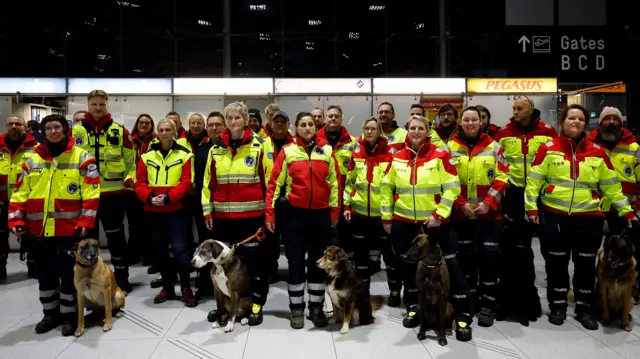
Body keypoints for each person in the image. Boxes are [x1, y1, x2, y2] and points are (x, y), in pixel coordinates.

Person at [525, 104, 637, 330]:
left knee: (585, 266)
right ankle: (557, 307)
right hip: (555, 218)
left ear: (586, 124)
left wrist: (626, 210)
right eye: (571, 118)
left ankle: (584, 309)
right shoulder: (547, 149)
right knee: (556, 265)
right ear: (562, 122)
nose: (576, 122)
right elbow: (534, 182)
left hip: (589, 218)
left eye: (580, 119)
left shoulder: (597, 151)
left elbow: (611, 186)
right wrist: (531, 209)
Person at [381, 115, 472, 341]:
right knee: (409, 268)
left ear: (427, 131)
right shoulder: (397, 158)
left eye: (421, 128)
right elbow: (385, 188)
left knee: (451, 266)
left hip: (435, 225)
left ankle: (462, 316)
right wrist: (387, 218)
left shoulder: (440, 156)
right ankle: (414, 308)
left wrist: (439, 214)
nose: (416, 132)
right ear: (407, 131)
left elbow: (452, 189)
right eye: (412, 128)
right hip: (404, 224)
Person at [9, 114, 100, 336]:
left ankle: (70, 316)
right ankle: (50, 314)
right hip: (37, 231)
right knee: (45, 276)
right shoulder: (31, 160)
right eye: (48, 128)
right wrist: (16, 219)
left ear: (66, 129)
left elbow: (91, 192)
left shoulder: (83, 157)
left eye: (57, 127)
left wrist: (86, 221)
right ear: (43, 131)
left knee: (69, 276)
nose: (53, 131)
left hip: (69, 230)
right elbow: (20, 192)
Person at [265, 111, 339, 330]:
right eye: (302, 125)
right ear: (295, 128)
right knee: (295, 262)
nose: (307, 128)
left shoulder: (326, 151)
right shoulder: (288, 152)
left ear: (315, 128)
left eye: (310, 124)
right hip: (294, 216)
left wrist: (334, 212)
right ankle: (296, 308)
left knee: (318, 264)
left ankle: (315, 307)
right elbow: (274, 185)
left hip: (320, 216)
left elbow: (334, 184)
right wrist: (269, 213)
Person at [201, 102, 269, 326]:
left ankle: (256, 305)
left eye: (237, 118)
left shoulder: (261, 145)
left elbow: (270, 183)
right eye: (229, 118)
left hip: (252, 218)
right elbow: (207, 183)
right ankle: (225, 306)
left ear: (245, 119)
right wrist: (208, 211)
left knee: (256, 265)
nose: (233, 121)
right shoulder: (216, 148)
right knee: (222, 267)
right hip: (223, 219)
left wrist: (269, 215)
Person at [493, 96, 557, 324]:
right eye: (513, 108)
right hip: (514, 195)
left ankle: (552, 300)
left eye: (520, 108)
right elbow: (498, 163)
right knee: (512, 248)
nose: (515, 111)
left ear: (531, 109)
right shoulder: (503, 132)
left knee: (551, 250)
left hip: (541, 194)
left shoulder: (548, 132)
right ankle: (512, 297)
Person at [445, 107, 509, 327]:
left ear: (481, 122)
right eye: (466, 120)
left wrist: (488, 203)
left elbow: (502, 176)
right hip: (460, 216)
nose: (470, 123)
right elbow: (446, 179)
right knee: (464, 261)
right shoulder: (449, 147)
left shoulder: (495, 147)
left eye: (474, 120)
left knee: (489, 260)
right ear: (460, 122)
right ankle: (468, 302)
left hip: (490, 216)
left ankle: (488, 306)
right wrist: (461, 204)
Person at [71, 90, 136, 292]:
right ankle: (88, 278)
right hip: (86, 196)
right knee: (87, 240)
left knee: (116, 238)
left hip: (113, 196)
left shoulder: (120, 131)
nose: (98, 108)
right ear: (88, 105)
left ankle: (122, 277)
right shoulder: (75, 132)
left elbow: (131, 161)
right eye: (94, 104)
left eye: (101, 104)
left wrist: (129, 178)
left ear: (107, 104)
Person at [135, 118, 197, 307]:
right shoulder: (147, 156)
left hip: (176, 209)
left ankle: (186, 288)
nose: (164, 133)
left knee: (180, 250)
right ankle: (168, 287)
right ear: (157, 132)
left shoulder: (185, 155)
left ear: (174, 132)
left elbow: (187, 181)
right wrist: (149, 198)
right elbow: (140, 182)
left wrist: (169, 197)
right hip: (153, 210)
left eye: (168, 129)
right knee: (160, 252)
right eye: (161, 130)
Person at [586, 106, 640, 303]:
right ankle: (595, 286)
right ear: (600, 123)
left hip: (625, 209)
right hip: (595, 208)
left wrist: (636, 206)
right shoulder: (589, 145)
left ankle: (630, 286)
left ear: (621, 123)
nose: (611, 122)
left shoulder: (634, 148)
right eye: (606, 119)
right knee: (590, 250)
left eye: (615, 119)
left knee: (626, 251)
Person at [343, 116, 393, 302]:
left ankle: (394, 292)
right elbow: (350, 182)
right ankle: (363, 293)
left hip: (382, 216)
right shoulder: (356, 155)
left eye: (373, 128)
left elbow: (393, 187)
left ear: (379, 131)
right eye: (366, 128)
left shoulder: (389, 157)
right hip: (360, 215)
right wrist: (347, 205)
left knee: (389, 257)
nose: (369, 131)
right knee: (361, 258)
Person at [0, 115, 39, 279]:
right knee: (0, 237)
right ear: (6, 126)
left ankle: (34, 267)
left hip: (26, 202)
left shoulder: (37, 148)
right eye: (11, 124)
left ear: (25, 127)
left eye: (18, 124)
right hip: (2, 201)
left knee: (31, 237)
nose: (14, 126)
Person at [316, 105, 356, 259]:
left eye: (336, 116)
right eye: (330, 116)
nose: (333, 118)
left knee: (345, 233)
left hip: (344, 196)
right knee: (323, 232)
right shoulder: (316, 141)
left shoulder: (352, 142)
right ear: (325, 118)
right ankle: (323, 261)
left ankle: (345, 262)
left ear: (341, 118)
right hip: (322, 196)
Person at [262, 111, 295, 284]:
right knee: (270, 239)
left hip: (291, 200)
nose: (280, 124)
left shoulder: (296, 144)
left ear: (288, 124)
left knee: (291, 238)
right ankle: (271, 271)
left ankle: (293, 271)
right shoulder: (262, 144)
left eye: (283, 121)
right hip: (270, 199)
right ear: (271, 124)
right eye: (277, 122)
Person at [129, 114, 156, 268]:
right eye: (141, 122)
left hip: (149, 188)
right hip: (131, 188)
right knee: (134, 225)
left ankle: (149, 255)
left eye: (147, 123)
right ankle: (134, 254)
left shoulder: (156, 141)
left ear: (151, 125)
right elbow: (126, 162)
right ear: (137, 124)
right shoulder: (129, 141)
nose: (144, 125)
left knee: (149, 224)